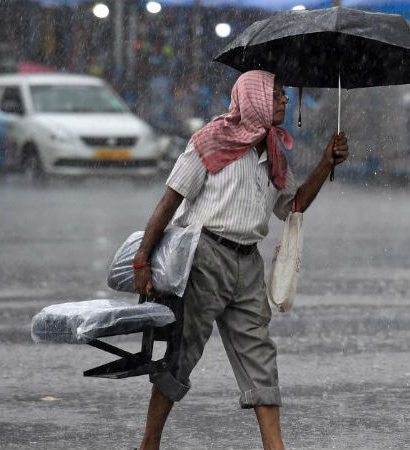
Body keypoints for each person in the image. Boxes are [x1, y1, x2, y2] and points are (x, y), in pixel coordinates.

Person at [133, 70, 348, 450]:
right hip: (203, 260)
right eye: (278, 95)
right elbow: (169, 203)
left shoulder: (274, 154)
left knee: (260, 358)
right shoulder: (209, 141)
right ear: (257, 100)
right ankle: (149, 443)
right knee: (180, 356)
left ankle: (274, 446)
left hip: (248, 265)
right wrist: (142, 260)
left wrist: (325, 163)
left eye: (284, 95)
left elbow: (293, 206)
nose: (285, 101)